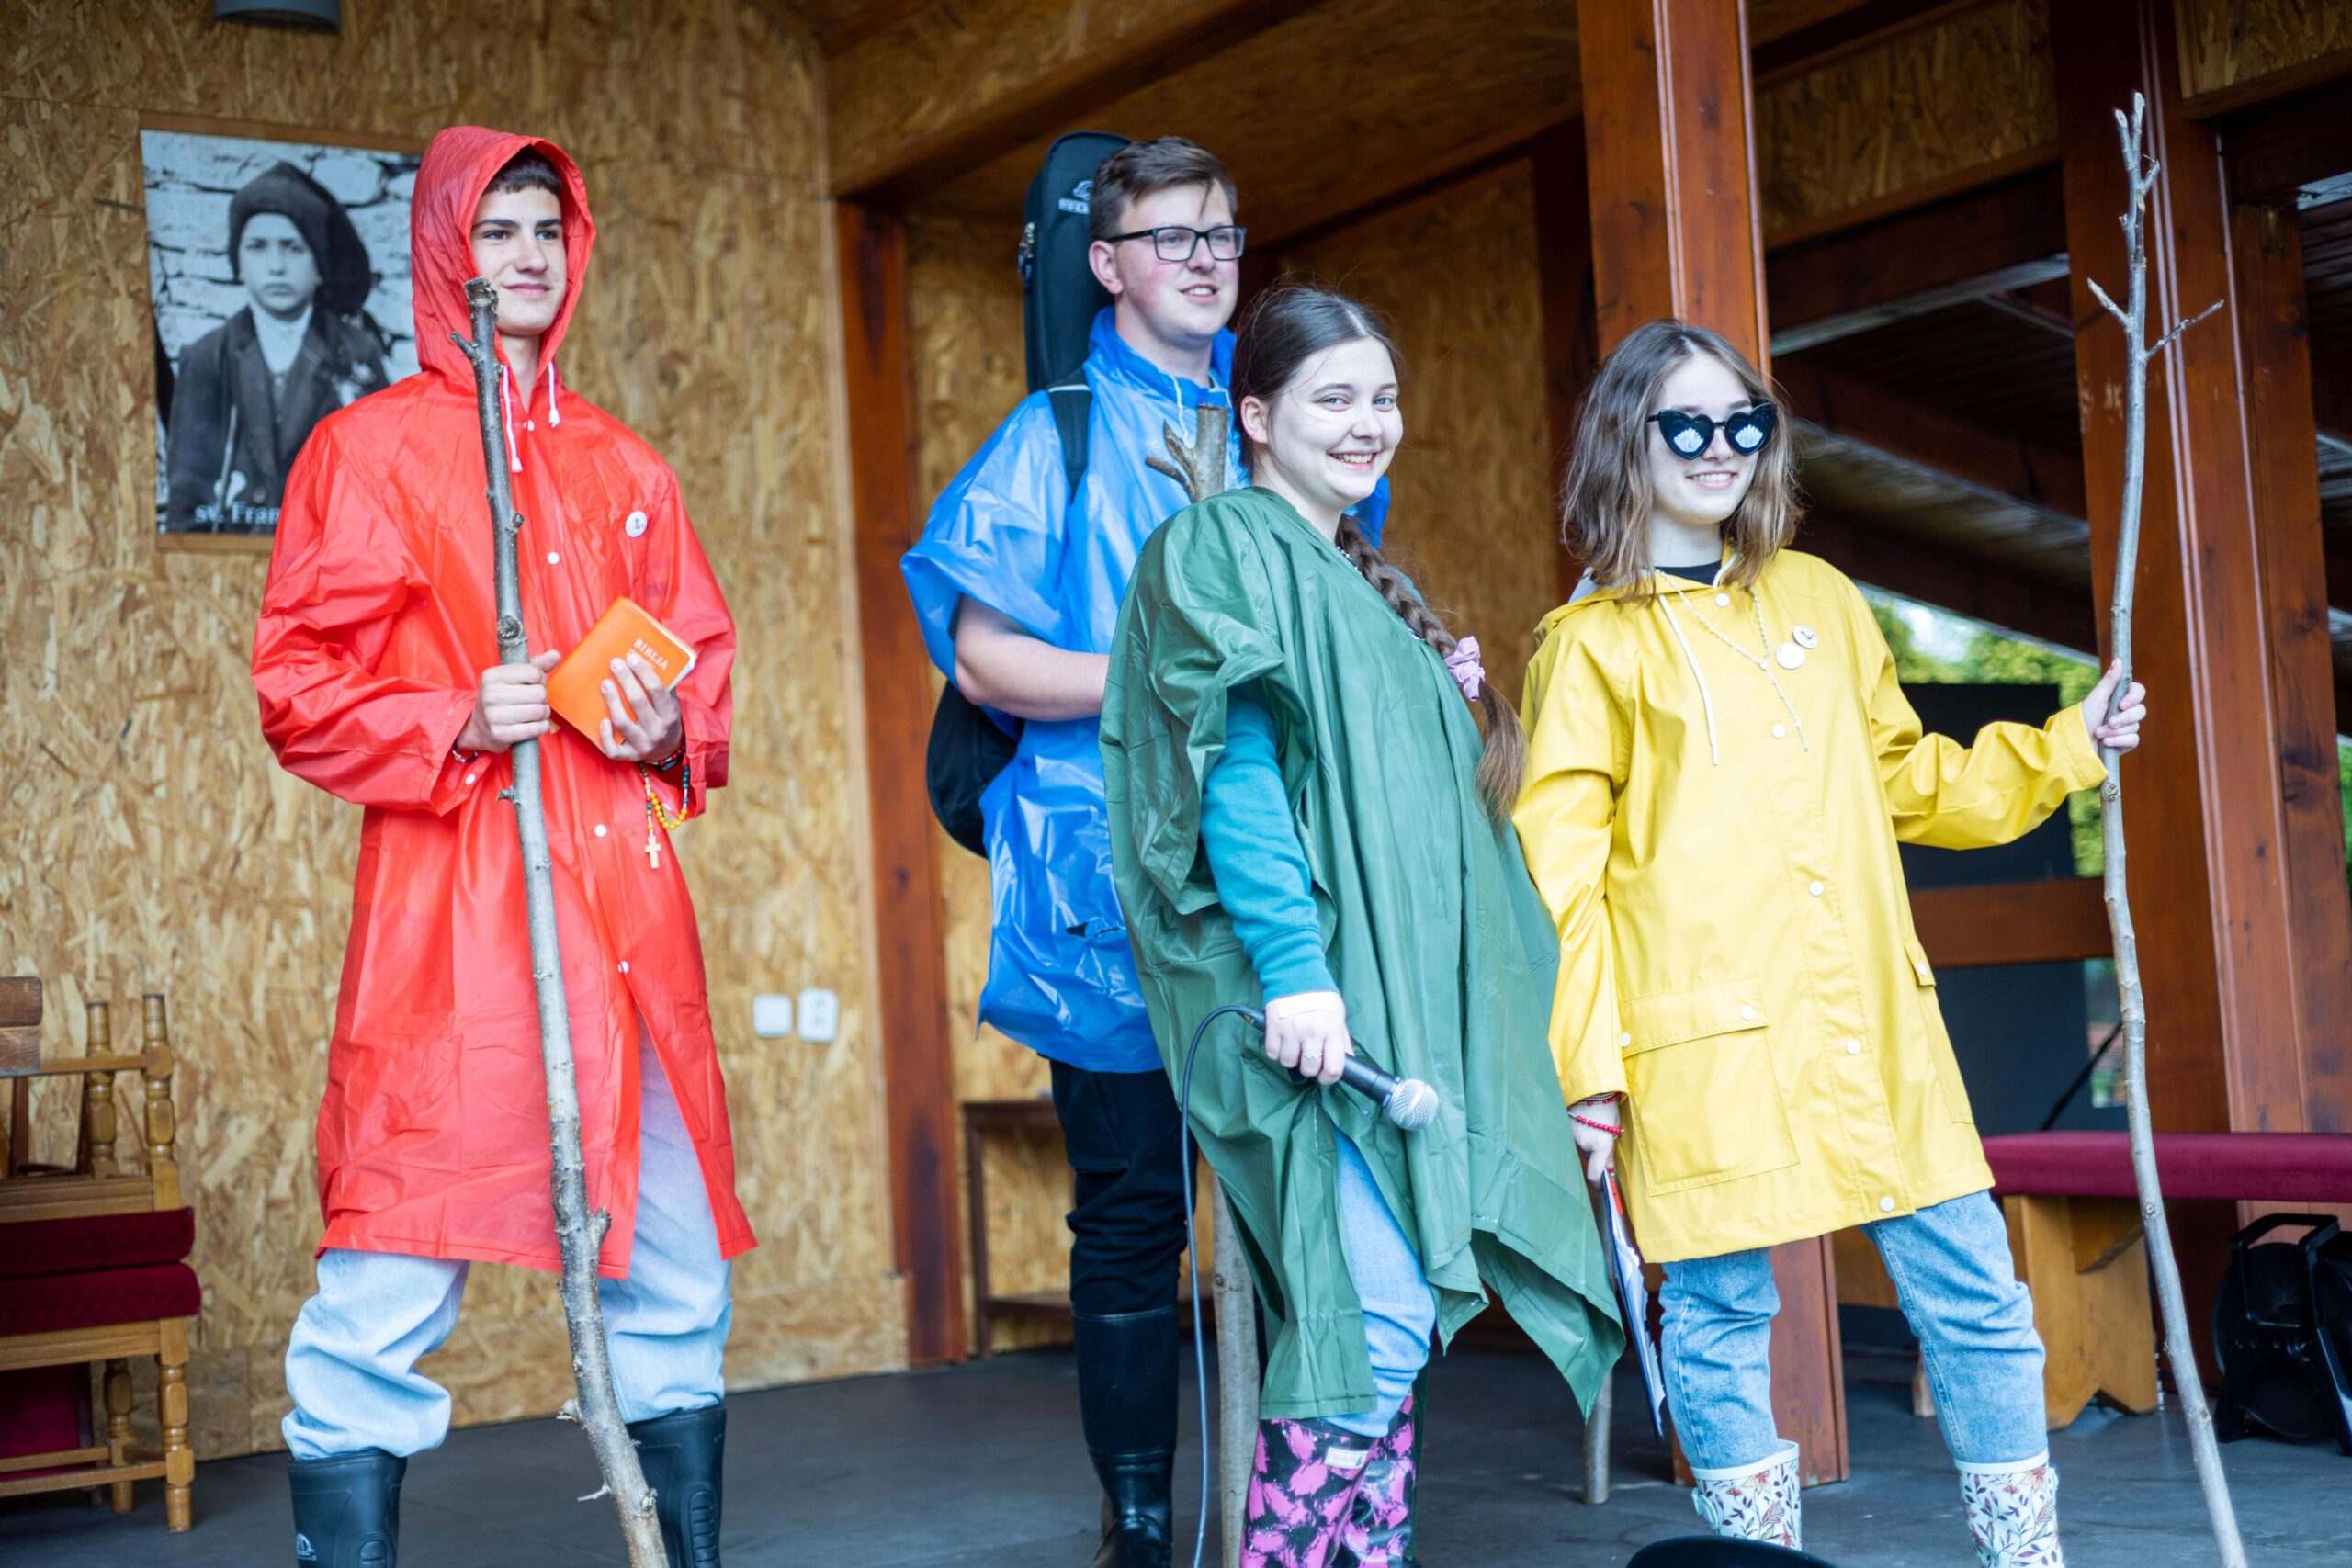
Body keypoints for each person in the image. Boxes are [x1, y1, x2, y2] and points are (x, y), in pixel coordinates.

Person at [1512, 319, 2149, 1566]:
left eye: (1744, 423)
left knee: (1981, 1302)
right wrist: (1587, 1070)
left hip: (1872, 1029)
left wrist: (2068, 747)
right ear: (1627, 439)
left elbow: (1905, 777)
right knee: (1717, 1315)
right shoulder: (1586, 648)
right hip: (1700, 1040)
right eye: (1686, 425)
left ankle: (2026, 1559)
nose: (1720, 448)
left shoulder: (1819, 597)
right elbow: (1561, 884)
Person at [253, 129, 748, 1568]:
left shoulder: (626, 462)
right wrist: (459, 712)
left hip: (626, 925)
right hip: (456, 920)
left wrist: (668, 724)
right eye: (496, 228)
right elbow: (297, 687)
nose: (528, 254)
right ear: (442, 252)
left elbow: (701, 671)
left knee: (674, 1271)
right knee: (389, 1275)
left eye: (547, 227)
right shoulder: (368, 451)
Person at [1101, 285, 1625, 1566]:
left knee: (1391, 1334)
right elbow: (1234, 771)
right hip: (1316, 1011)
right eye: (1332, 397)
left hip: (1400, 1015)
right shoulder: (1223, 542)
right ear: (1256, 415)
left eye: (1382, 397)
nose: (1366, 422)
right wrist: (1296, 972)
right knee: (1370, 1314)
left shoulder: (1364, 582)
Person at [904, 138, 1358, 1568]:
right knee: (1131, 1208)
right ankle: (1143, 1519)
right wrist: (1161, 676)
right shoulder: (1053, 435)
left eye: (1223, 234)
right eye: (1173, 237)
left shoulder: (1275, 419)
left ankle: (1310, 1511)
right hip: (1100, 878)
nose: (1207, 259)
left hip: (1280, 866)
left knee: (1303, 1201)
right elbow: (985, 658)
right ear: (1106, 263)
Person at [164, 161, 390, 532]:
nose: (275, 266)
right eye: (257, 247)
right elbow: (187, 500)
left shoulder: (355, 353)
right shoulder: (208, 357)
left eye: (293, 248)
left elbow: (381, 483)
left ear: (319, 261)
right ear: (238, 261)